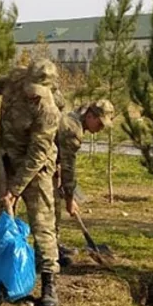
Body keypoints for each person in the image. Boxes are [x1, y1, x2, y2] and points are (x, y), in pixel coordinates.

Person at [0, 59, 62, 306]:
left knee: (42, 224)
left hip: (36, 169)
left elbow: (37, 155)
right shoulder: (15, 80)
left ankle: (48, 281)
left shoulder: (49, 111)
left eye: (38, 91)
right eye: (30, 87)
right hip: (6, 161)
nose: (32, 93)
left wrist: (15, 189)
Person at [54, 99, 115, 266]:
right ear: (89, 116)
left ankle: (52, 246)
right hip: (33, 163)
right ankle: (47, 253)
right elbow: (69, 167)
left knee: (52, 208)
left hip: (49, 164)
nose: (100, 129)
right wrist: (69, 199)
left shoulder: (75, 118)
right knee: (50, 209)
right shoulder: (73, 130)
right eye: (100, 124)